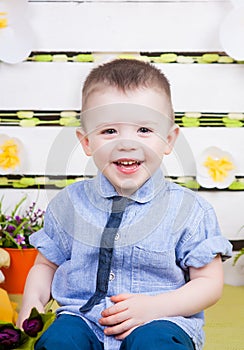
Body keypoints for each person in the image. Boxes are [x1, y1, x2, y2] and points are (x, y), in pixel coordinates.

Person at [17, 59, 232, 350]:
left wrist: (155, 307)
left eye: (144, 129)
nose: (127, 143)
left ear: (169, 140)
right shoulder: (68, 205)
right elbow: (46, 265)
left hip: (161, 319)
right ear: (87, 141)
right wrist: (31, 304)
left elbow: (208, 283)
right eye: (109, 131)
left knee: (155, 343)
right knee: (59, 341)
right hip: (84, 318)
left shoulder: (190, 211)